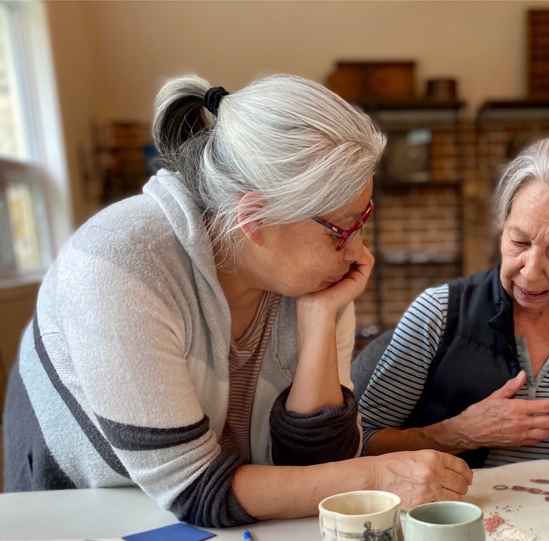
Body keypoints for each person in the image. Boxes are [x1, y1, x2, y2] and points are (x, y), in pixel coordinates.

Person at [2, 74, 473, 527]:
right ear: (254, 218)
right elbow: (194, 489)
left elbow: (317, 470)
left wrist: (319, 319)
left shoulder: (313, 279)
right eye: (342, 228)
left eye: (363, 217)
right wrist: (376, 476)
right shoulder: (120, 262)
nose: (358, 252)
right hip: (77, 512)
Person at [357, 135, 549, 468]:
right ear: (503, 226)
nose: (529, 273)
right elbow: (360, 443)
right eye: (519, 241)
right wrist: (459, 433)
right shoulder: (439, 313)